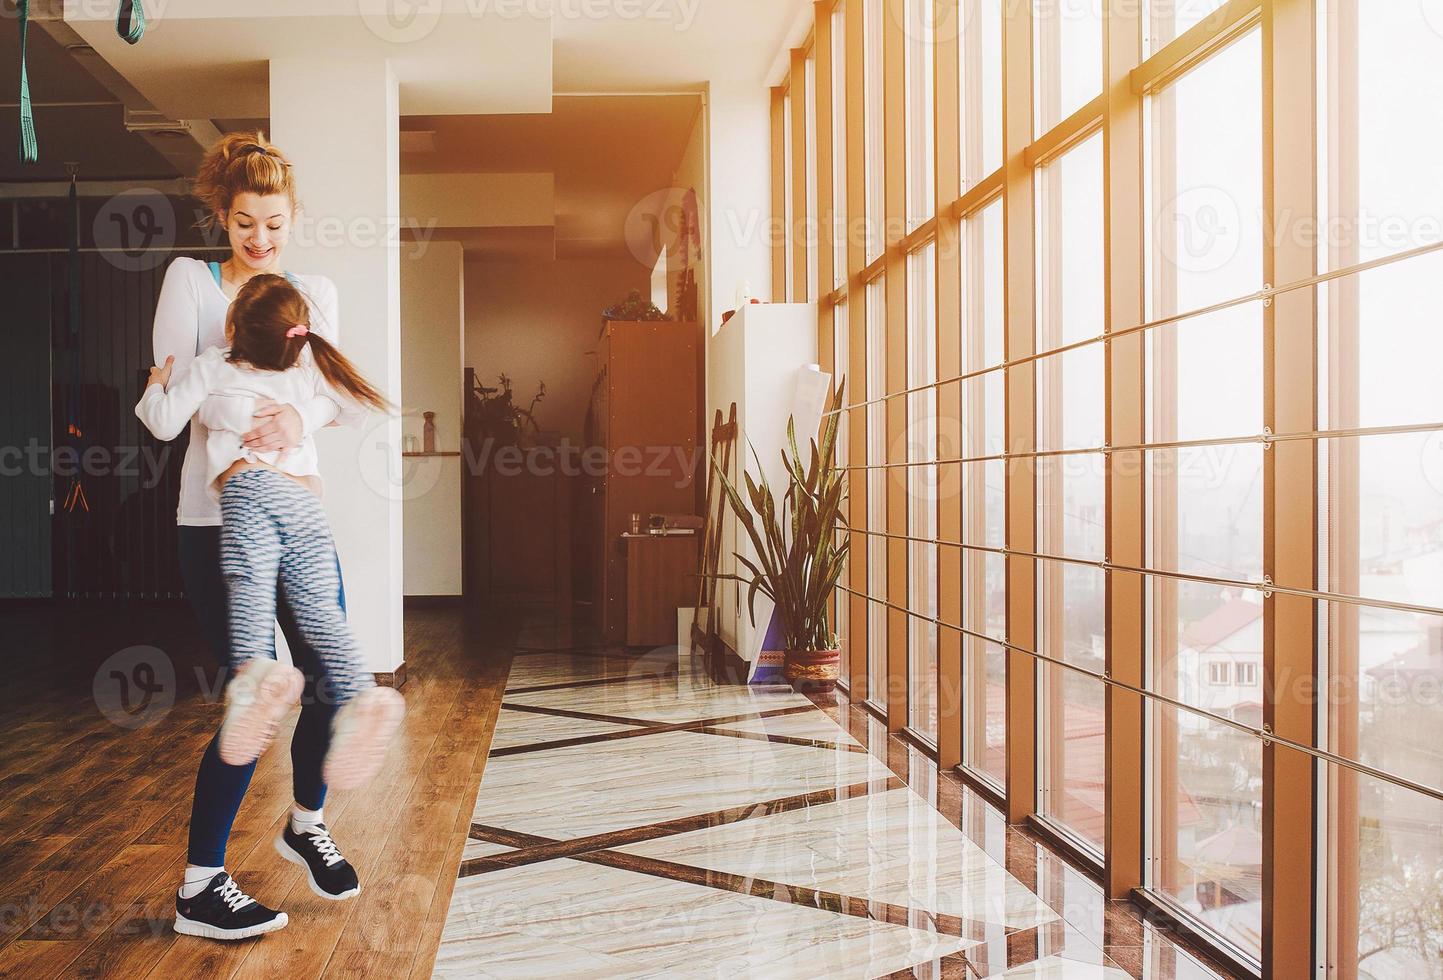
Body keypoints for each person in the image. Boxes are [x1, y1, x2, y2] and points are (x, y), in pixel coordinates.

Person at [140, 132, 381, 941]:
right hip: (217, 523)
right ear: (221, 216)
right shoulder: (192, 283)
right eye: (245, 223)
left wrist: (296, 411)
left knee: (331, 676)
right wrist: (245, 397)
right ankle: (200, 885)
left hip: (299, 512)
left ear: (294, 216)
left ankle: (305, 822)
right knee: (256, 689)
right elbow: (177, 399)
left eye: (274, 223)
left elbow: (336, 396)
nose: (260, 239)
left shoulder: (310, 289)